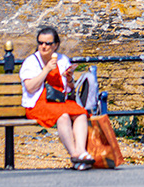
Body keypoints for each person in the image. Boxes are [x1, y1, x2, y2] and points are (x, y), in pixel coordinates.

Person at [20, 27, 92, 170]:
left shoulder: (62, 59)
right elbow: (30, 87)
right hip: (38, 103)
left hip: (59, 101)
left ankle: (81, 151)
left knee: (80, 113)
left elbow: (69, 88)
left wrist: (70, 78)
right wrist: (46, 69)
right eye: (40, 43)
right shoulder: (31, 62)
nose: (43, 46)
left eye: (48, 43)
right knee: (63, 116)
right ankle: (75, 155)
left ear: (55, 45)